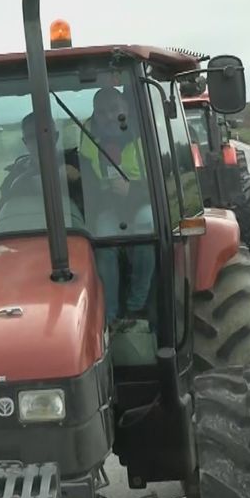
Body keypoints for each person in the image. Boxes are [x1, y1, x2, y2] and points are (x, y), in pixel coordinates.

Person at [77, 86, 154, 327]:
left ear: (127, 109)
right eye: (101, 112)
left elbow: (165, 178)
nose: (109, 116)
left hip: (144, 201)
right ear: (95, 115)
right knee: (102, 238)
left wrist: (132, 189)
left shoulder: (147, 135)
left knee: (147, 227)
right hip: (110, 206)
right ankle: (109, 316)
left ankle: (136, 305)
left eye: (114, 109)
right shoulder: (89, 139)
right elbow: (86, 173)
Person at [0, 111, 84, 223]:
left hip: (74, 232)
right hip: (28, 233)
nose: (39, 141)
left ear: (56, 136)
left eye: (44, 133)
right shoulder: (14, 177)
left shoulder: (79, 164)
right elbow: (1, 216)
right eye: (32, 137)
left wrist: (78, 180)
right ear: (25, 141)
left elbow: (97, 204)